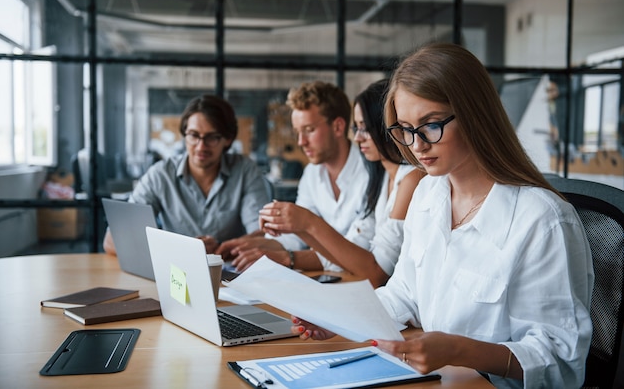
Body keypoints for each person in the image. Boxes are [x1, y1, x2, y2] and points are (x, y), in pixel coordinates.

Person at [291, 43, 594, 388]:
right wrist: (342, 318)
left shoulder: (542, 220)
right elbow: (404, 294)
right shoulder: (428, 195)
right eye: (405, 128)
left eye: (431, 125)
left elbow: (559, 364)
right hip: (434, 379)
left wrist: (459, 350)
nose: (416, 145)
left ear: (474, 116)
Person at [258, 79, 425, 287]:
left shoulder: (407, 178)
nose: (357, 138)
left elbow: (376, 271)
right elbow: (347, 255)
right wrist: (298, 226)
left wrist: (307, 223)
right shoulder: (381, 178)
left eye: (365, 128)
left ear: (387, 127)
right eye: (357, 128)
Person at [217, 81, 371, 272]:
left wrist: (285, 258)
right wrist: (252, 245)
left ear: (338, 127)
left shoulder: (371, 173)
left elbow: (357, 252)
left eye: (309, 130)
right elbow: (297, 236)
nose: (301, 142)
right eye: (298, 132)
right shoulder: (312, 174)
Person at [103, 94, 269, 255]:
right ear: (184, 134)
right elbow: (112, 240)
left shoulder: (245, 171)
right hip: (175, 274)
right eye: (193, 135)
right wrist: (184, 250)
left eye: (211, 138)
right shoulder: (161, 174)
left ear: (228, 139)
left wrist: (222, 249)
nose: (200, 146)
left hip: (228, 275)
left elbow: (263, 237)